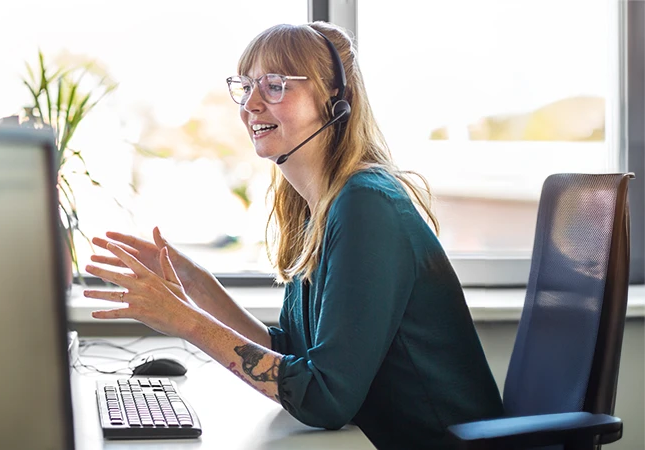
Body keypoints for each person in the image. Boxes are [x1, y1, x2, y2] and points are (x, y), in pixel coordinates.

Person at [84, 21, 504, 449]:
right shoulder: (313, 209)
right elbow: (291, 355)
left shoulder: (366, 205)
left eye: (275, 85)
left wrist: (186, 322)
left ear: (334, 100)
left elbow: (323, 399)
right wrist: (196, 287)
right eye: (246, 86)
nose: (251, 104)